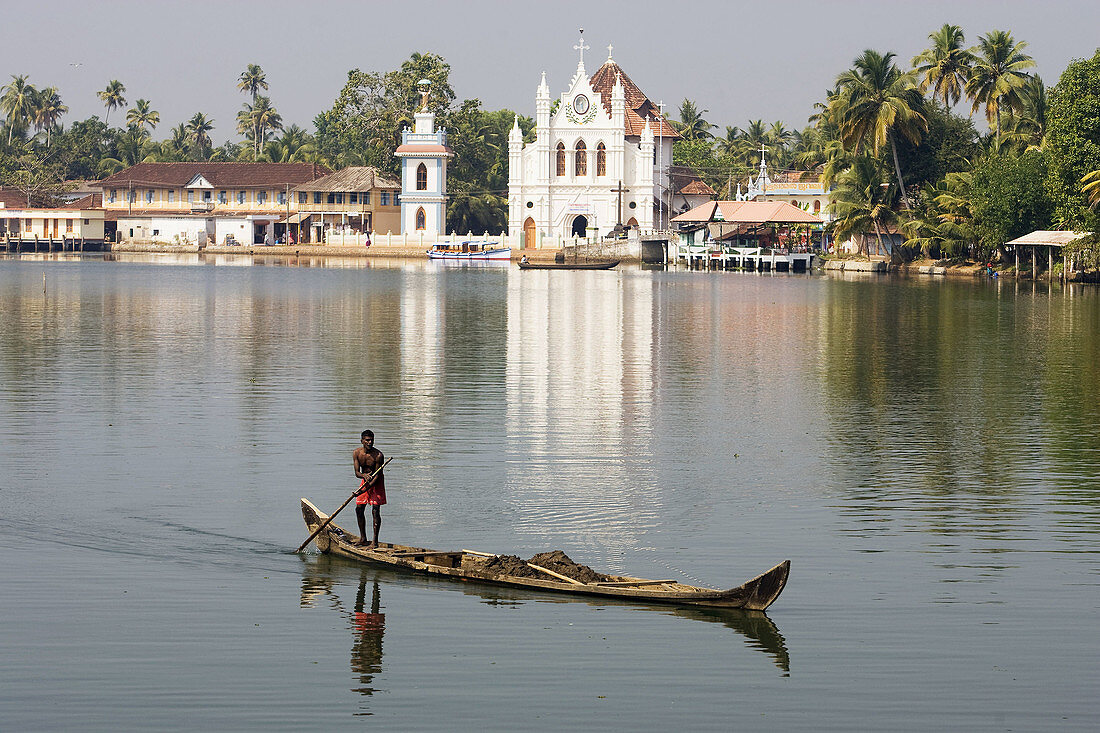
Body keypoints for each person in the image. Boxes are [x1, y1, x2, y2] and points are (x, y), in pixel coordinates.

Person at [352, 430, 386, 547]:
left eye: (371, 440)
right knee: (359, 509)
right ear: (362, 441)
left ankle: (374, 542)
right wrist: (363, 476)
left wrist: (361, 490)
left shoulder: (379, 456)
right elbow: (357, 472)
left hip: (377, 483)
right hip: (365, 481)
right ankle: (363, 539)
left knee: (375, 510)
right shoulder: (357, 453)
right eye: (367, 440)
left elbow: (376, 476)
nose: (370, 442)